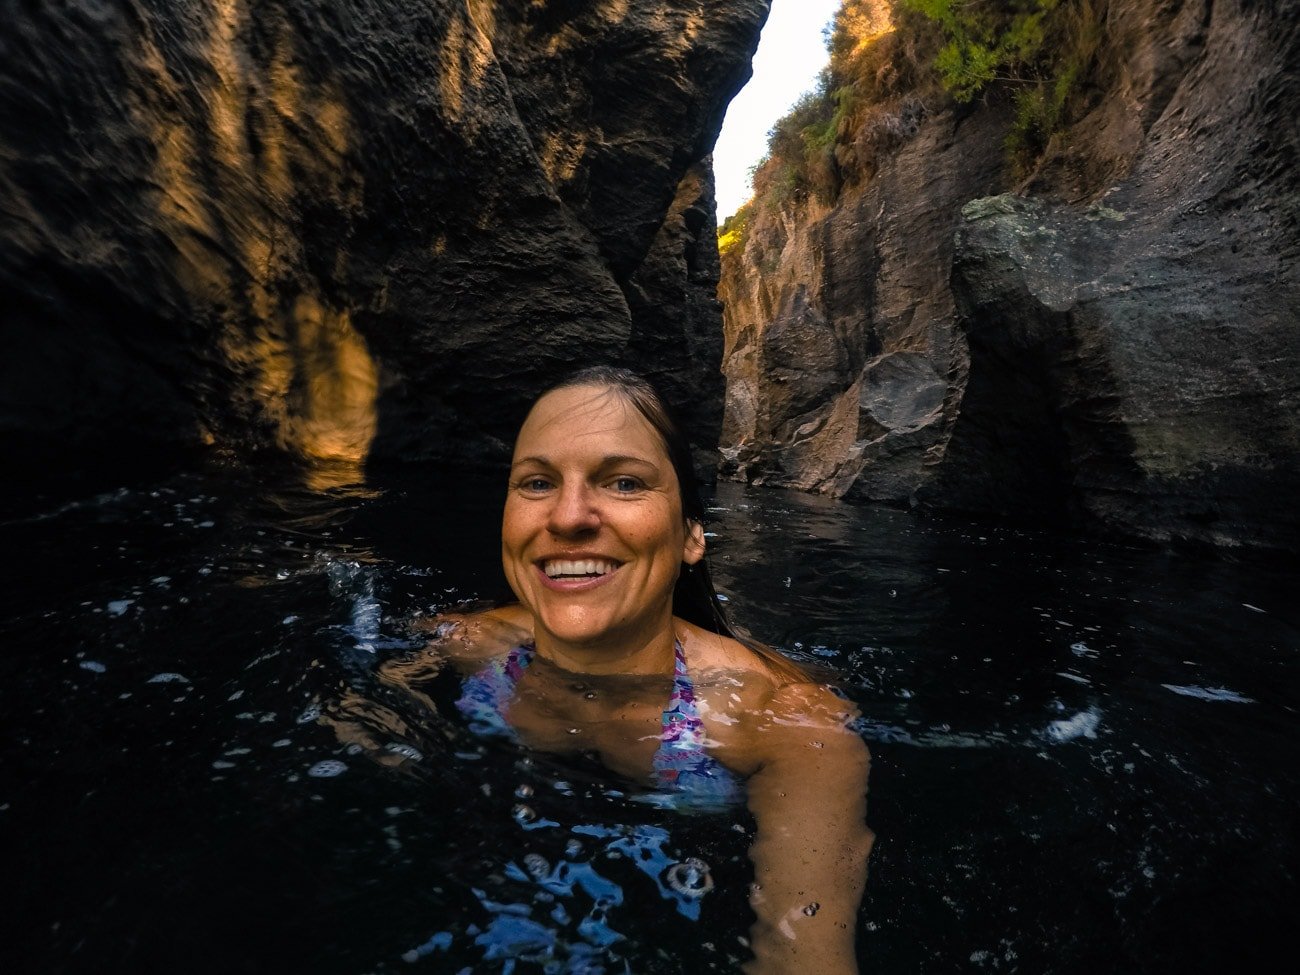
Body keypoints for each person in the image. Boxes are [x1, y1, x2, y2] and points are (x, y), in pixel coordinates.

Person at [410, 366, 874, 974]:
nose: (569, 516)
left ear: (691, 537)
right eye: (536, 482)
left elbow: (802, 959)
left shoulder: (786, 724)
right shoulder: (475, 643)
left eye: (625, 482)